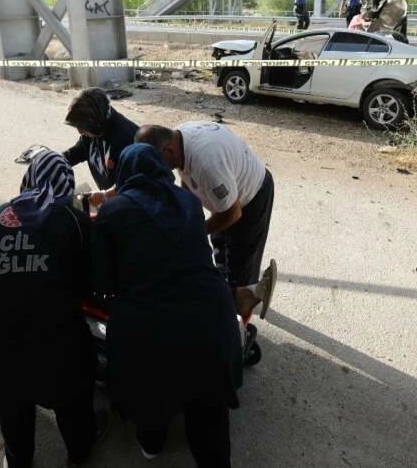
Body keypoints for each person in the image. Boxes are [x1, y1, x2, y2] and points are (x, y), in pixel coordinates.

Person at [92, 144, 242, 466]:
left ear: (124, 174)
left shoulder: (113, 211)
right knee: (210, 417)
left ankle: (152, 443)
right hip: (212, 323)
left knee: (150, 397)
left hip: (150, 333)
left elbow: (101, 283)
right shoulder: (187, 201)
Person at [0, 147, 107, 468]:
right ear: (66, 185)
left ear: (27, 179)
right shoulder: (73, 219)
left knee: (12, 411)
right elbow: (94, 286)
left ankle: (18, 460)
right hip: (55, 357)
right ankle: (78, 451)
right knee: (73, 402)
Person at [134, 123, 276, 323]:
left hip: (250, 198)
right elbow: (186, 179)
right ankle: (226, 294)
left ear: (168, 151)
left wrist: (196, 233)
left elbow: (233, 213)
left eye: (158, 162)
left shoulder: (207, 163)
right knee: (219, 253)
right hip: (224, 196)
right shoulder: (177, 139)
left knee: (239, 262)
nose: (158, 169)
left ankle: (241, 309)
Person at [60, 87, 138, 205]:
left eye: (82, 126)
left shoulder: (126, 138)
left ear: (95, 120)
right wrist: (55, 161)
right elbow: (78, 152)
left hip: (132, 204)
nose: (80, 132)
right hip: (111, 197)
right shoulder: (94, 129)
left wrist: (104, 196)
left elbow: (133, 183)